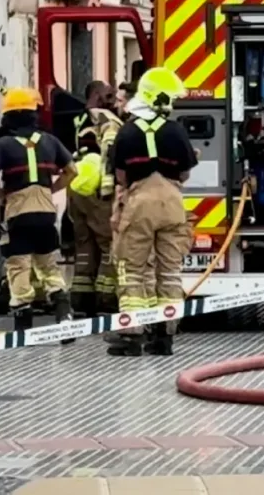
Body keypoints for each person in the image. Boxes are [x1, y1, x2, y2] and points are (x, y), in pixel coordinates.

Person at [108, 68, 197, 357]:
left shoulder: (127, 131)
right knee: (169, 271)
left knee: (132, 269)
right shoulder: (176, 130)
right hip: (172, 203)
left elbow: (120, 176)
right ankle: (164, 336)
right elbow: (184, 174)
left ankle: (132, 336)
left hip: (139, 203)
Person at [0, 87, 78, 336]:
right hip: (45, 212)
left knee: (18, 265)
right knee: (48, 263)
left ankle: (23, 325)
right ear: (34, 113)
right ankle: (63, 314)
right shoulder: (50, 141)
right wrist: (52, 188)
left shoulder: (3, 145)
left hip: (18, 213)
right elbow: (72, 171)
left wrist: (3, 194)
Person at [68, 81, 121, 317]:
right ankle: (106, 299)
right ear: (97, 95)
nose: (113, 99)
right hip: (99, 189)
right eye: (109, 94)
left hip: (78, 187)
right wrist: (109, 187)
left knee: (84, 244)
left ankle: (81, 301)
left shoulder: (79, 118)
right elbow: (109, 151)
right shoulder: (106, 119)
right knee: (109, 244)